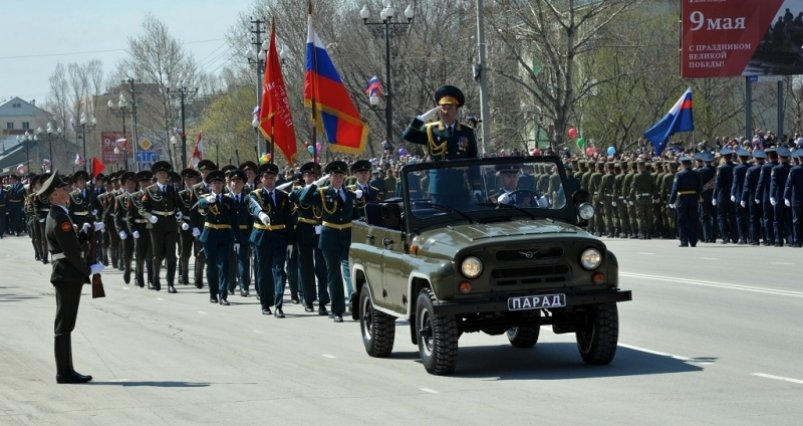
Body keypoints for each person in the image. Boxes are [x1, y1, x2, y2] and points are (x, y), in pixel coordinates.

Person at [37, 171, 104, 383]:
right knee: (64, 325)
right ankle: (64, 372)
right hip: (67, 273)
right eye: (64, 189)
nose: (69, 192)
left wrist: (86, 232)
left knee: (66, 324)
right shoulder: (59, 217)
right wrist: (88, 269)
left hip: (66, 272)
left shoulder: (60, 214)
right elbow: (71, 252)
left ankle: (68, 370)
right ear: (54, 195)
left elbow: (72, 244)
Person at [402, 85, 481, 208]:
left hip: (460, 185)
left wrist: (477, 187)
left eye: (450, 108)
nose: (446, 111)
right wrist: (422, 118)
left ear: (456, 109)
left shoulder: (466, 131)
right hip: (439, 187)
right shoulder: (431, 130)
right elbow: (407, 136)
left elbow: (473, 160)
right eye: (443, 108)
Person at [299, 161, 358, 323]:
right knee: (333, 274)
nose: (338, 178)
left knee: (349, 268)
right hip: (329, 236)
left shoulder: (350, 193)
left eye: (341, 175)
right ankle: (337, 310)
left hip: (346, 236)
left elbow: (356, 216)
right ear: (329, 177)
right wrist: (315, 184)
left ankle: (353, 298)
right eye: (335, 175)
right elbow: (304, 199)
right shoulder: (323, 193)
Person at [247, 163, 294, 317]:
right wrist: (261, 214)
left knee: (279, 271)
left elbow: (289, 220)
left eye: (272, 177)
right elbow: (253, 206)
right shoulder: (255, 195)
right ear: (261, 179)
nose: (270, 180)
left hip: (279, 238)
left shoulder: (283, 197)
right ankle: (265, 303)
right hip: (262, 237)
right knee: (264, 272)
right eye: (266, 177)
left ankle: (279, 305)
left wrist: (291, 241)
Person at [289, 162, 329, 314]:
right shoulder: (298, 190)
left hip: (320, 230)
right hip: (304, 229)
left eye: (313, 175)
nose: (310, 177)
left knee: (321, 266)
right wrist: (314, 186)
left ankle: (323, 301)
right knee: (305, 266)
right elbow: (304, 198)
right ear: (303, 177)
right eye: (307, 175)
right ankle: (308, 299)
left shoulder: (323, 191)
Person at [198, 170, 240, 305]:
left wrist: (237, 239)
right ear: (210, 185)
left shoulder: (229, 200)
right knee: (211, 267)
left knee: (224, 266)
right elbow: (200, 206)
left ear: (223, 184)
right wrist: (206, 201)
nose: (217, 185)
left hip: (224, 236)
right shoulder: (204, 197)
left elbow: (234, 220)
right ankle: (213, 293)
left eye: (219, 183)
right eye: (214, 183)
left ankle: (223, 295)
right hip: (209, 235)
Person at [139, 161, 181, 293]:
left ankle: (170, 283)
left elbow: (179, 205)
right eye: (160, 173)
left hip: (171, 225)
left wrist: (179, 212)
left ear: (167, 175)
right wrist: (149, 216)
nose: (162, 175)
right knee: (157, 255)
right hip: (156, 226)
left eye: (164, 173)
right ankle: (155, 278)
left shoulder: (172, 189)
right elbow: (142, 208)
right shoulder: (149, 190)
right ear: (156, 175)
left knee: (171, 256)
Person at [669, 156, 702, 247]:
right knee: (693, 220)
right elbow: (700, 187)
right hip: (693, 199)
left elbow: (675, 189)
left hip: (682, 199)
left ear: (683, 164)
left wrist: (671, 201)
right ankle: (693, 241)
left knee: (682, 221)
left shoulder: (679, 175)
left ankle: (684, 241)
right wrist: (696, 196)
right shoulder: (697, 174)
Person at [784, 149, 803, 247]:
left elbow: (788, 184)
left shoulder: (794, 170)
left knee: (796, 220)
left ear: (799, 159)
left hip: (796, 199)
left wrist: (786, 197)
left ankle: (797, 241)